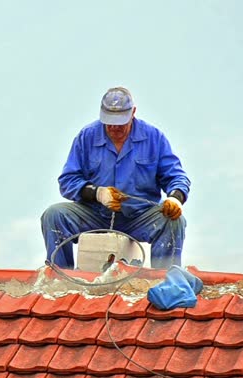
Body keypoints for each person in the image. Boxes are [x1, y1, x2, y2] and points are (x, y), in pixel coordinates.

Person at [41, 87, 191, 269]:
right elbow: (68, 181)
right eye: (109, 122)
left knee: (174, 221)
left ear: (133, 112)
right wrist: (97, 194)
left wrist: (175, 198)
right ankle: (60, 277)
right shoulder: (86, 137)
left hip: (140, 217)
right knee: (54, 214)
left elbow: (176, 176)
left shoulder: (154, 137)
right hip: (95, 215)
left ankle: (166, 280)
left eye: (120, 122)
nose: (114, 128)